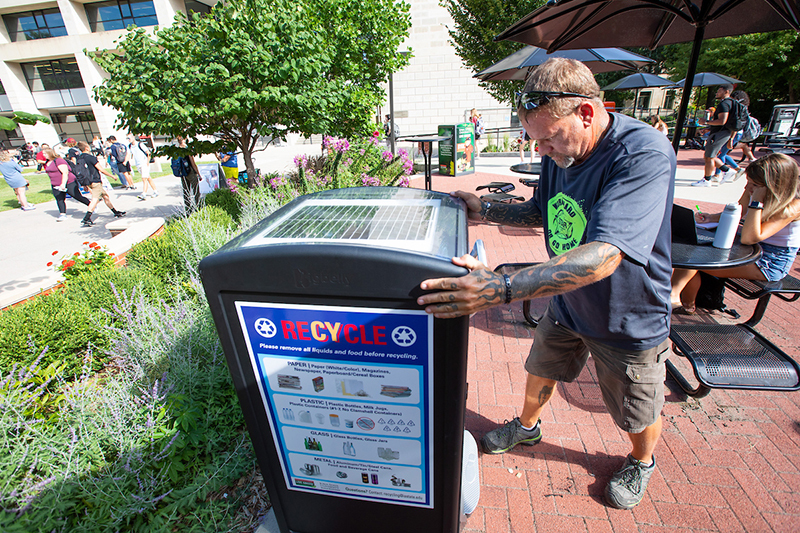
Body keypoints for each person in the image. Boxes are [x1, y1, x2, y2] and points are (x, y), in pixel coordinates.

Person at [416, 58, 675, 510]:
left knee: (636, 406)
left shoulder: (642, 153)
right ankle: (527, 427)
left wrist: (500, 288)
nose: (543, 151)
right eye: (535, 140)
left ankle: (642, 460)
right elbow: (541, 211)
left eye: (549, 138)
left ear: (587, 113)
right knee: (541, 366)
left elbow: (606, 255)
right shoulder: (562, 151)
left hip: (626, 315)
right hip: (569, 299)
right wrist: (487, 209)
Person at [672, 153, 800, 312]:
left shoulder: (793, 207)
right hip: (749, 249)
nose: (748, 188)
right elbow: (738, 211)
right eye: (748, 182)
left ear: (774, 185)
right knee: (692, 251)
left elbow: (749, 237)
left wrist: (756, 202)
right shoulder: (755, 189)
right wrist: (712, 217)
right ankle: (684, 303)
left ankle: (679, 300)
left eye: (754, 184)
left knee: (693, 260)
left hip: (769, 262)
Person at [75, 141, 126, 227]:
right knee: (95, 199)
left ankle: (115, 212)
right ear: (87, 148)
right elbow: (101, 169)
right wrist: (112, 176)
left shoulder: (80, 158)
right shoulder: (91, 158)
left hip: (88, 181)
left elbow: (81, 172)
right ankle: (86, 218)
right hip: (95, 181)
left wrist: (84, 184)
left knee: (105, 196)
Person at [693, 84, 735, 187]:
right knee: (709, 156)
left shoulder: (724, 104)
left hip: (719, 133)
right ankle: (727, 170)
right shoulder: (732, 103)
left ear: (726, 92)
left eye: (719, 91)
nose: (717, 93)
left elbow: (722, 121)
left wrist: (706, 122)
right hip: (722, 133)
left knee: (709, 157)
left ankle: (707, 180)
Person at [43, 147, 91, 221]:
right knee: (59, 198)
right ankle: (62, 214)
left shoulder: (59, 161)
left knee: (76, 196)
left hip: (69, 182)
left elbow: (65, 172)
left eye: (45, 153)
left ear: (50, 153)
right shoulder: (47, 162)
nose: (44, 155)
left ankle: (91, 205)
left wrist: (63, 184)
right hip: (55, 184)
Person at [175, 135, 201, 213]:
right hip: (190, 172)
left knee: (186, 191)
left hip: (182, 173)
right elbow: (193, 163)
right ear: (185, 139)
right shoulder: (187, 149)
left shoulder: (176, 150)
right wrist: (198, 173)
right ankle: (198, 206)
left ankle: (188, 208)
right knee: (196, 190)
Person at [128, 133, 158, 199]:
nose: (128, 140)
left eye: (129, 138)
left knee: (144, 178)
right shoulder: (130, 146)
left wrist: (147, 162)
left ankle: (144, 193)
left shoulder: (140, 144)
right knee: (148, 178)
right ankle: (155, 191)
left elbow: (148, 153)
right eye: (127, 138)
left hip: (144, 163)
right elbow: (130, 155)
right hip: (138, 164)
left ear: (133, 138)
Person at [731, 90, 757, 164]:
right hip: (739, 132)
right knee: (742, 145)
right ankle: (752, 158)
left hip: (735, 131)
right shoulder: (744, 108)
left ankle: (735, 168)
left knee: (724, 151)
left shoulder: (737, 108)